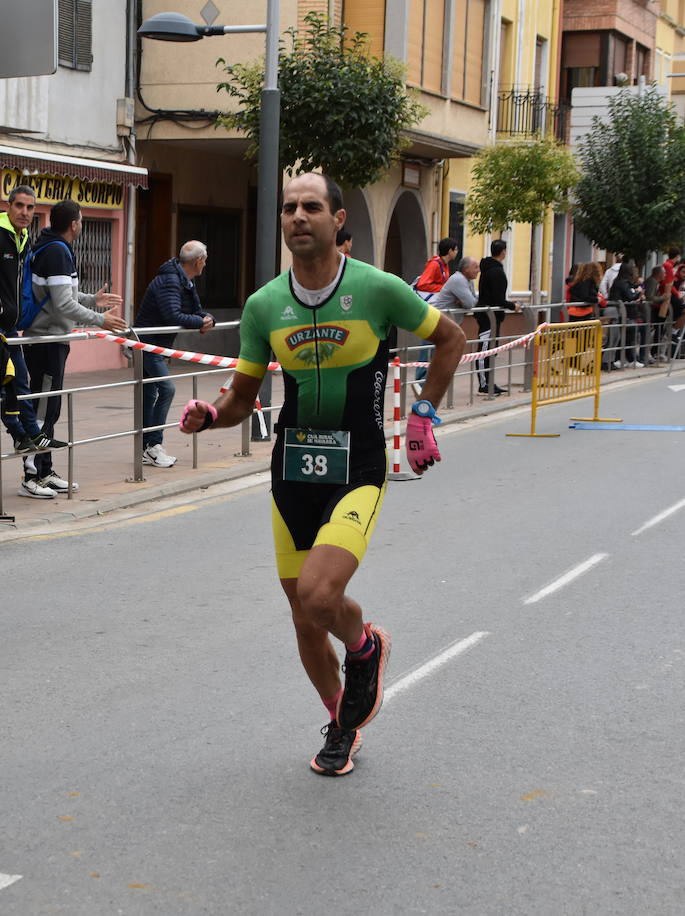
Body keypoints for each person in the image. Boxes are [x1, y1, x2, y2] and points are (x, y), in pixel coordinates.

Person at [178, 172, 465, 777]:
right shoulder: (263, 306)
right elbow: (241, 399)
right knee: (303, 615)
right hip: (293, 471)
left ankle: (366, 647)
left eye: (311, 207)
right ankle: (342, 725)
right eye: (289, 209)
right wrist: (209, 415)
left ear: (338, 220)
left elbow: (452, 339)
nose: (298, 217)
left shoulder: (379, 289)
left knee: (320, 594)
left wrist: (422, 415)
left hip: (358, 465)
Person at [21, 199, 127, 498]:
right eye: (80, 220)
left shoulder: (53, 247)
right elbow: (62, 303)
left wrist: (93, 300)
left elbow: (62, 293)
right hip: (46, 340)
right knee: (43, 410)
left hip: (52, 337)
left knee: (51, 409)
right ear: (74, 224)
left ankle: (45, 469)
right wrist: (99, 320)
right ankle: (31, 474)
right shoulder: (57, 251)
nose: (81, 224)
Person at [0, 184, 64, 457]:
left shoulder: (22, 238)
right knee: (6, 379)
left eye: (30, 208)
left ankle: (30, 433)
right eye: (19, 206)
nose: (25, 212)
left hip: (6, 323)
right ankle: (21, 434)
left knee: (20, 377)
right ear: (8, 206)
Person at [133, 240, 214, 468]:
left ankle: (145, 447)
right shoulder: (170, 280)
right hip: (148, 345)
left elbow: (195, 312)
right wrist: (200, 321)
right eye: (205, 261)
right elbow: (173, 316)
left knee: (149, 394)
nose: (205, 265)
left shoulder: (183, 280)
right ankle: (153, 445)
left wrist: (207, 319)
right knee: (166, 389)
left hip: (155, 345)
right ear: (198, 261)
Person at [414, 255, 477, 387]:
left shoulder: (468, 281)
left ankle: (430, 383)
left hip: (446, 323)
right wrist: (464, 302)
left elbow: (473, 301)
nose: (478, 270)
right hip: (435, 321)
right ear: (466, 268)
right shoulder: (458, 280)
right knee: (428, 351)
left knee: (439, 353)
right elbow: (470, 302)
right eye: (475, 267)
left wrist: (465, 301)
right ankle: (420, 384)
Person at [476, 240, 519, 394]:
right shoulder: (495, 271)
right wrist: (512, 306)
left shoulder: (490, 268)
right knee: (485, 350)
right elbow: (497, 298)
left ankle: (489, 381)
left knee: (491, 350)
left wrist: (507, 303)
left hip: (491, 315)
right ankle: (484, 384)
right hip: (489, 316)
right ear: (503, 252)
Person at [609, 259, 644, 369]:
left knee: (624, 337)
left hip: (622, 313)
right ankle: (627, 359)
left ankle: (624, 359)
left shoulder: (618, 282)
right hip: (625, 313)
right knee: (628, 337)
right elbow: (629, 296)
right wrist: (639, 292)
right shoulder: (623, 283)